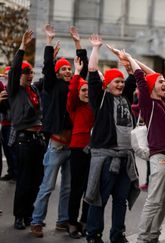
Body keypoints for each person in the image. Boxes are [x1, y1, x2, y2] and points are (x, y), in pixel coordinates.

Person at [31, 24, 86, 237]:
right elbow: (46, 67)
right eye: (63, 69)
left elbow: (84, 66)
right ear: (56, 72)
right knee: (47, 186)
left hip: (72, 146)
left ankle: (63, 220)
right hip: (56, 144)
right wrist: (48, 40)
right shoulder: (51, 86)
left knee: (68, 188)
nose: (67, 71)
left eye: (69, 69)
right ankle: (37, 221)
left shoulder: (75, 85)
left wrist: (78, 43)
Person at [84, 34, 140, 243]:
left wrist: (126, 59)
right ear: (107, 84)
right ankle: (93, 234)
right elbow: (91, 72)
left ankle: (118, 235)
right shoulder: (100, 98)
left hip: (126, 158)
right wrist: (96, 49)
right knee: (99, 199)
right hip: (106, 158)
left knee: (120, 201)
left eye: (121, 82)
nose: (120, 85)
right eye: (116, 82)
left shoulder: (125, 96)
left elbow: (136, 75)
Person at [122, 51, 165, 243]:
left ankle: (153, 236)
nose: (164, 84)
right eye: (160, 83)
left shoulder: (161, 102)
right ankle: (143, 238)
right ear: (151, 88)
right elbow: (142, 79)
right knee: (154, 202)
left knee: (164, 202)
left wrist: (135, 59)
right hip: (161, 159)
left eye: (164, 81)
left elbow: (152, 74)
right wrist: (131, 60)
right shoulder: (148, 103)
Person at [8, 30, 45, 231]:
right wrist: (22, 47)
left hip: (38, 140)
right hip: (24, 140)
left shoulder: (34, 90)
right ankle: (19, 216)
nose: (30, 75)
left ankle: (30, 214)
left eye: (31, 72)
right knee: (24, 181)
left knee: (37, 180)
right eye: (26, 72)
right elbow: (14, 69)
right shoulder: (15, 90)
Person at [67, 50, 93, 238]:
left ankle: (85, 220)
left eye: (88, 90)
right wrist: (77, 73)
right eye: (83, 90)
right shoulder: (74, 106)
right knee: (76, 188)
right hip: (77, 149)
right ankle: (71, 223)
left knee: (90, 188)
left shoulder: (94, 105)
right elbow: (72, 93)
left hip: (95, 151)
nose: (87, 92)